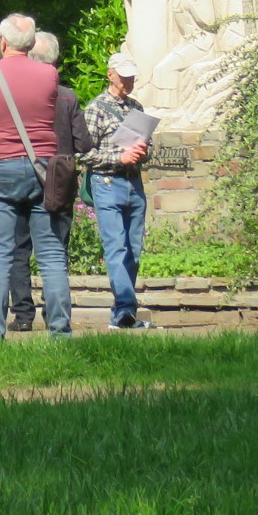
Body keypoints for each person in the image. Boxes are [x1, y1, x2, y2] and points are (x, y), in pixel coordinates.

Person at [0, 13, 72, 338]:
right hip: (42, 168)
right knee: (52, 253)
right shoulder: (49, 75)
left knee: (0, 252)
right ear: (30, 43)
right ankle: (60, 332)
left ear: (2, 41)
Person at [8, 31, 93, 331]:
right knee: (56, 248)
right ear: (56, 60)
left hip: (21, 171)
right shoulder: (67, 95)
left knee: (19, 247)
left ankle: (22, 316)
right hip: (59, 177)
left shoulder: (18, 94)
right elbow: (83, 143)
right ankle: (56, 316)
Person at [82, 52, 154, 330]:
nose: (128, 82)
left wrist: (143, 152)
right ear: (110, 74)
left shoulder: (137, 108)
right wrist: (118, 158)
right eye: (124, 76)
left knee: (133, 250)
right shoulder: (95, 109)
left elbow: (151, 147)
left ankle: (122, 313)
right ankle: (125, 310)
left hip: (134, 184)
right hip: (107, 183)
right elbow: (84, 152)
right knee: (116, 247)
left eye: (132, 76)